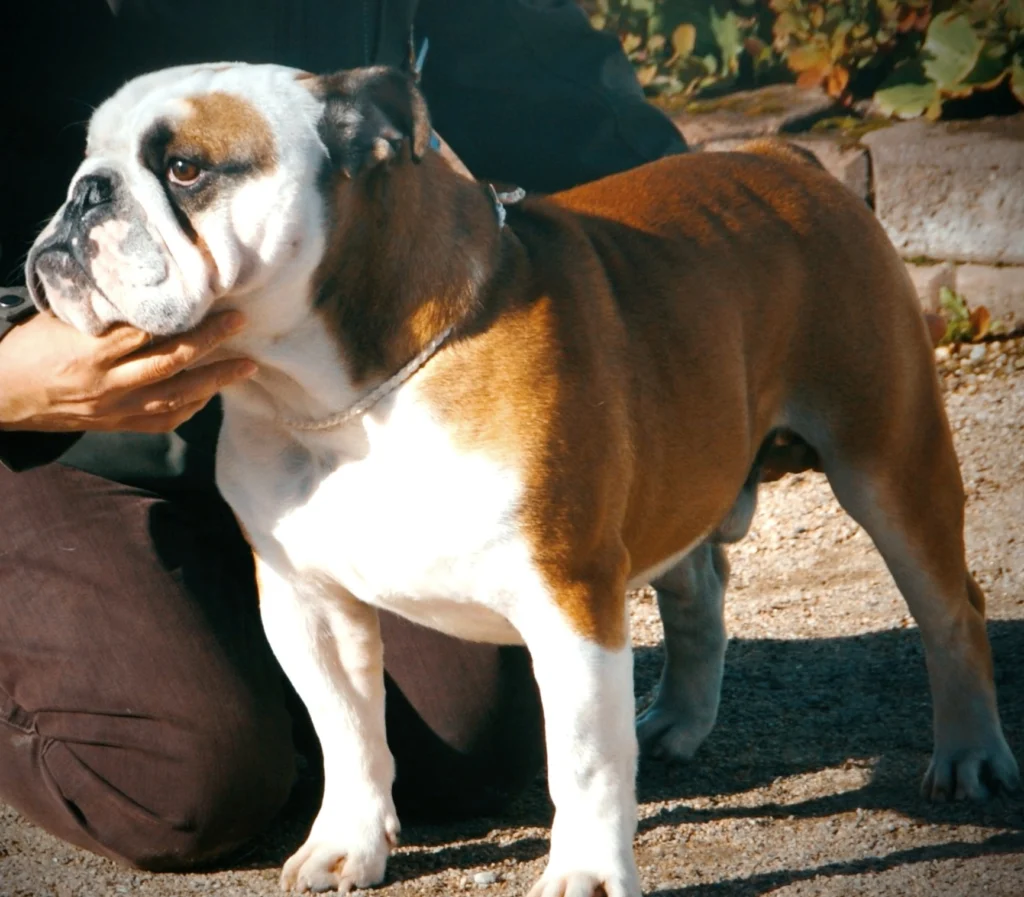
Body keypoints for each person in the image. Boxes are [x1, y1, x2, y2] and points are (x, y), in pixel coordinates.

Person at [0, 0, 687, 872]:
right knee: (184, 780)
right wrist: (8, 377)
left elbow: (520, 53)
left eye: (174, 167)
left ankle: (216, 636)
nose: (94, 190)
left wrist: (704, 249)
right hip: (52, 439)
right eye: (93, 165)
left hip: (329, 390)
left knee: (469, 747)